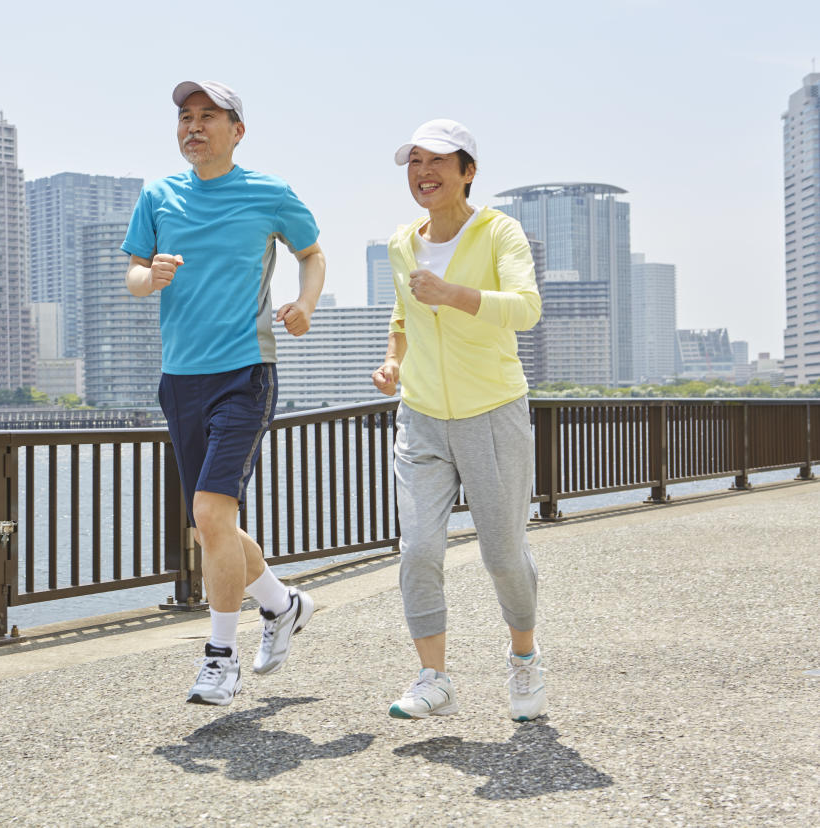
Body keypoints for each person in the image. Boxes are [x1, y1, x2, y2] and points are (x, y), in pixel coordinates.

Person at [123, 80, 326, 706]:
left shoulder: (269, 192)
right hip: (180, 380)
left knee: (211, 516)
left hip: (245, 371)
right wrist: (148, 275)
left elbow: (312, 254)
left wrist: (306, 305)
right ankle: (282, 603)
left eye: (208, 116)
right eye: (186, 117)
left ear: (237, 131)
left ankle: (220, 658)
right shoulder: (158, 195)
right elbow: (132, 277)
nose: (194, 126)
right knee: (215, 525)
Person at [370, 118, 546, 722]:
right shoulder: (402, 242)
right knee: (418, 549)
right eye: (414, 161)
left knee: (503, 554)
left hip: (492, 412)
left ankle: (523, 655)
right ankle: (434, 678)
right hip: (419, 416)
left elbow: (526, 309)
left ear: (468, 171)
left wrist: (453, 295)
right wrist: (392, 363)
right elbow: (402, 317)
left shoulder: (500, 232)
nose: (424, 172)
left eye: (438, 161)